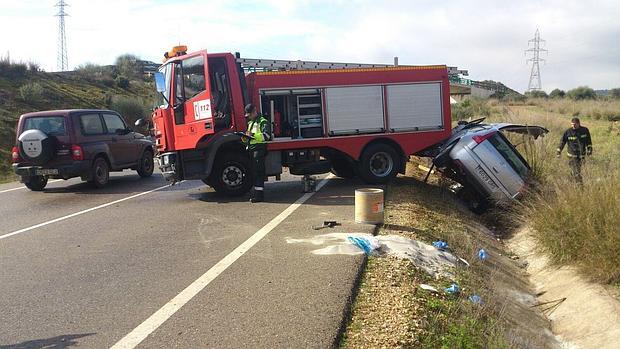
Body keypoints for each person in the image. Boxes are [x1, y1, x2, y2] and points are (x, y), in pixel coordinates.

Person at [243, 103, 271, 203]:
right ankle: (257, 194)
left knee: (259, 173)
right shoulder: (251, 123)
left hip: (259, 150)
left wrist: (253, 135)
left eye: (250, 114)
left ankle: (259, 196)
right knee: (255, 173)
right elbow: (249, 138)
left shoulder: (263, 122)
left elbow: (267, 136)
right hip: (252, 150)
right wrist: (245, 138)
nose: (248, 117)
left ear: (254, 111)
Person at [557, 117, 592, 182]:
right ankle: (579, 185)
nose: (573, 126)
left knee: (577, 170)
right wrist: (559, 151)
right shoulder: (568, 132)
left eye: (575, 124)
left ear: (579, 124)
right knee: (576, 171)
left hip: (581, 156)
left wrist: (589, 150)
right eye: (572, 124)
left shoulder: (585, 130)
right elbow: (562, 142)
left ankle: (573, 182)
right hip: (572, 156)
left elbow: (589, 141)